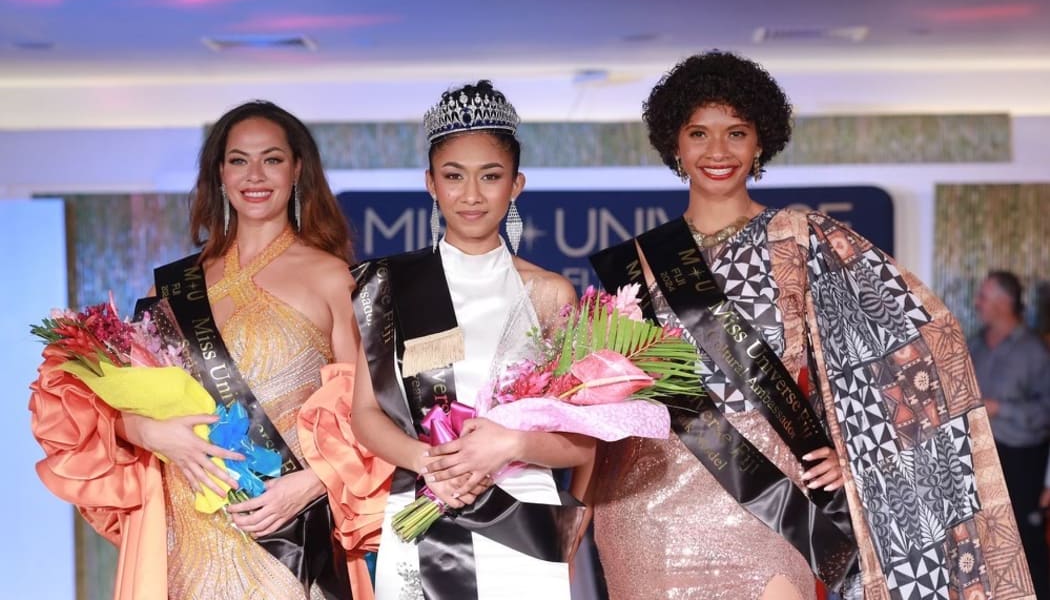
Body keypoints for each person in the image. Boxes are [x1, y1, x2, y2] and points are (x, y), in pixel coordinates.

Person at [584, 51, 1034, 600]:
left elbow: (918, 344)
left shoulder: (802, 240)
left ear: (760, 142)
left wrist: (861, 452)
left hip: (769, 507)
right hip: (645, 504)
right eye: (698, 133)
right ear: (674, 144)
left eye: (737, 132)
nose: (718, 151)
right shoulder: (639, 264)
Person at [30, 100, 360, 599]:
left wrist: (311, 484)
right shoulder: (175, 287)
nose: (255, 174)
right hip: (186, 536)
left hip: (287, 529)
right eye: (238, 160)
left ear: (297, 170)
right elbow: (111, 413)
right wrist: (148, 431)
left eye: (271, 159)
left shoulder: (332, 276)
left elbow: (373, 411)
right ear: (219, 174)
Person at [347, 80, 594, 599]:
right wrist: (428, 462)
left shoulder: (549, 294)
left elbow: (584, 438)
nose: (472, 195)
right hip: (421, 503)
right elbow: (365, 414)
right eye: (454, 176)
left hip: (520, 515)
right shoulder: (389, 287)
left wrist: (511, 444)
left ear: (517, 185)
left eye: (491, 176)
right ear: (431, 184)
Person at [969, 271, 1050, 598]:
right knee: (984, 541)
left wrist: (1002, 409)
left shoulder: (1034, 353)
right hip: (980, 454)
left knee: (1024, 545)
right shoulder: (974, 345)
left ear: (1005, 303)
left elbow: (1046, 412)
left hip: (1022, 461)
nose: (977, 303)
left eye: (984, 297)